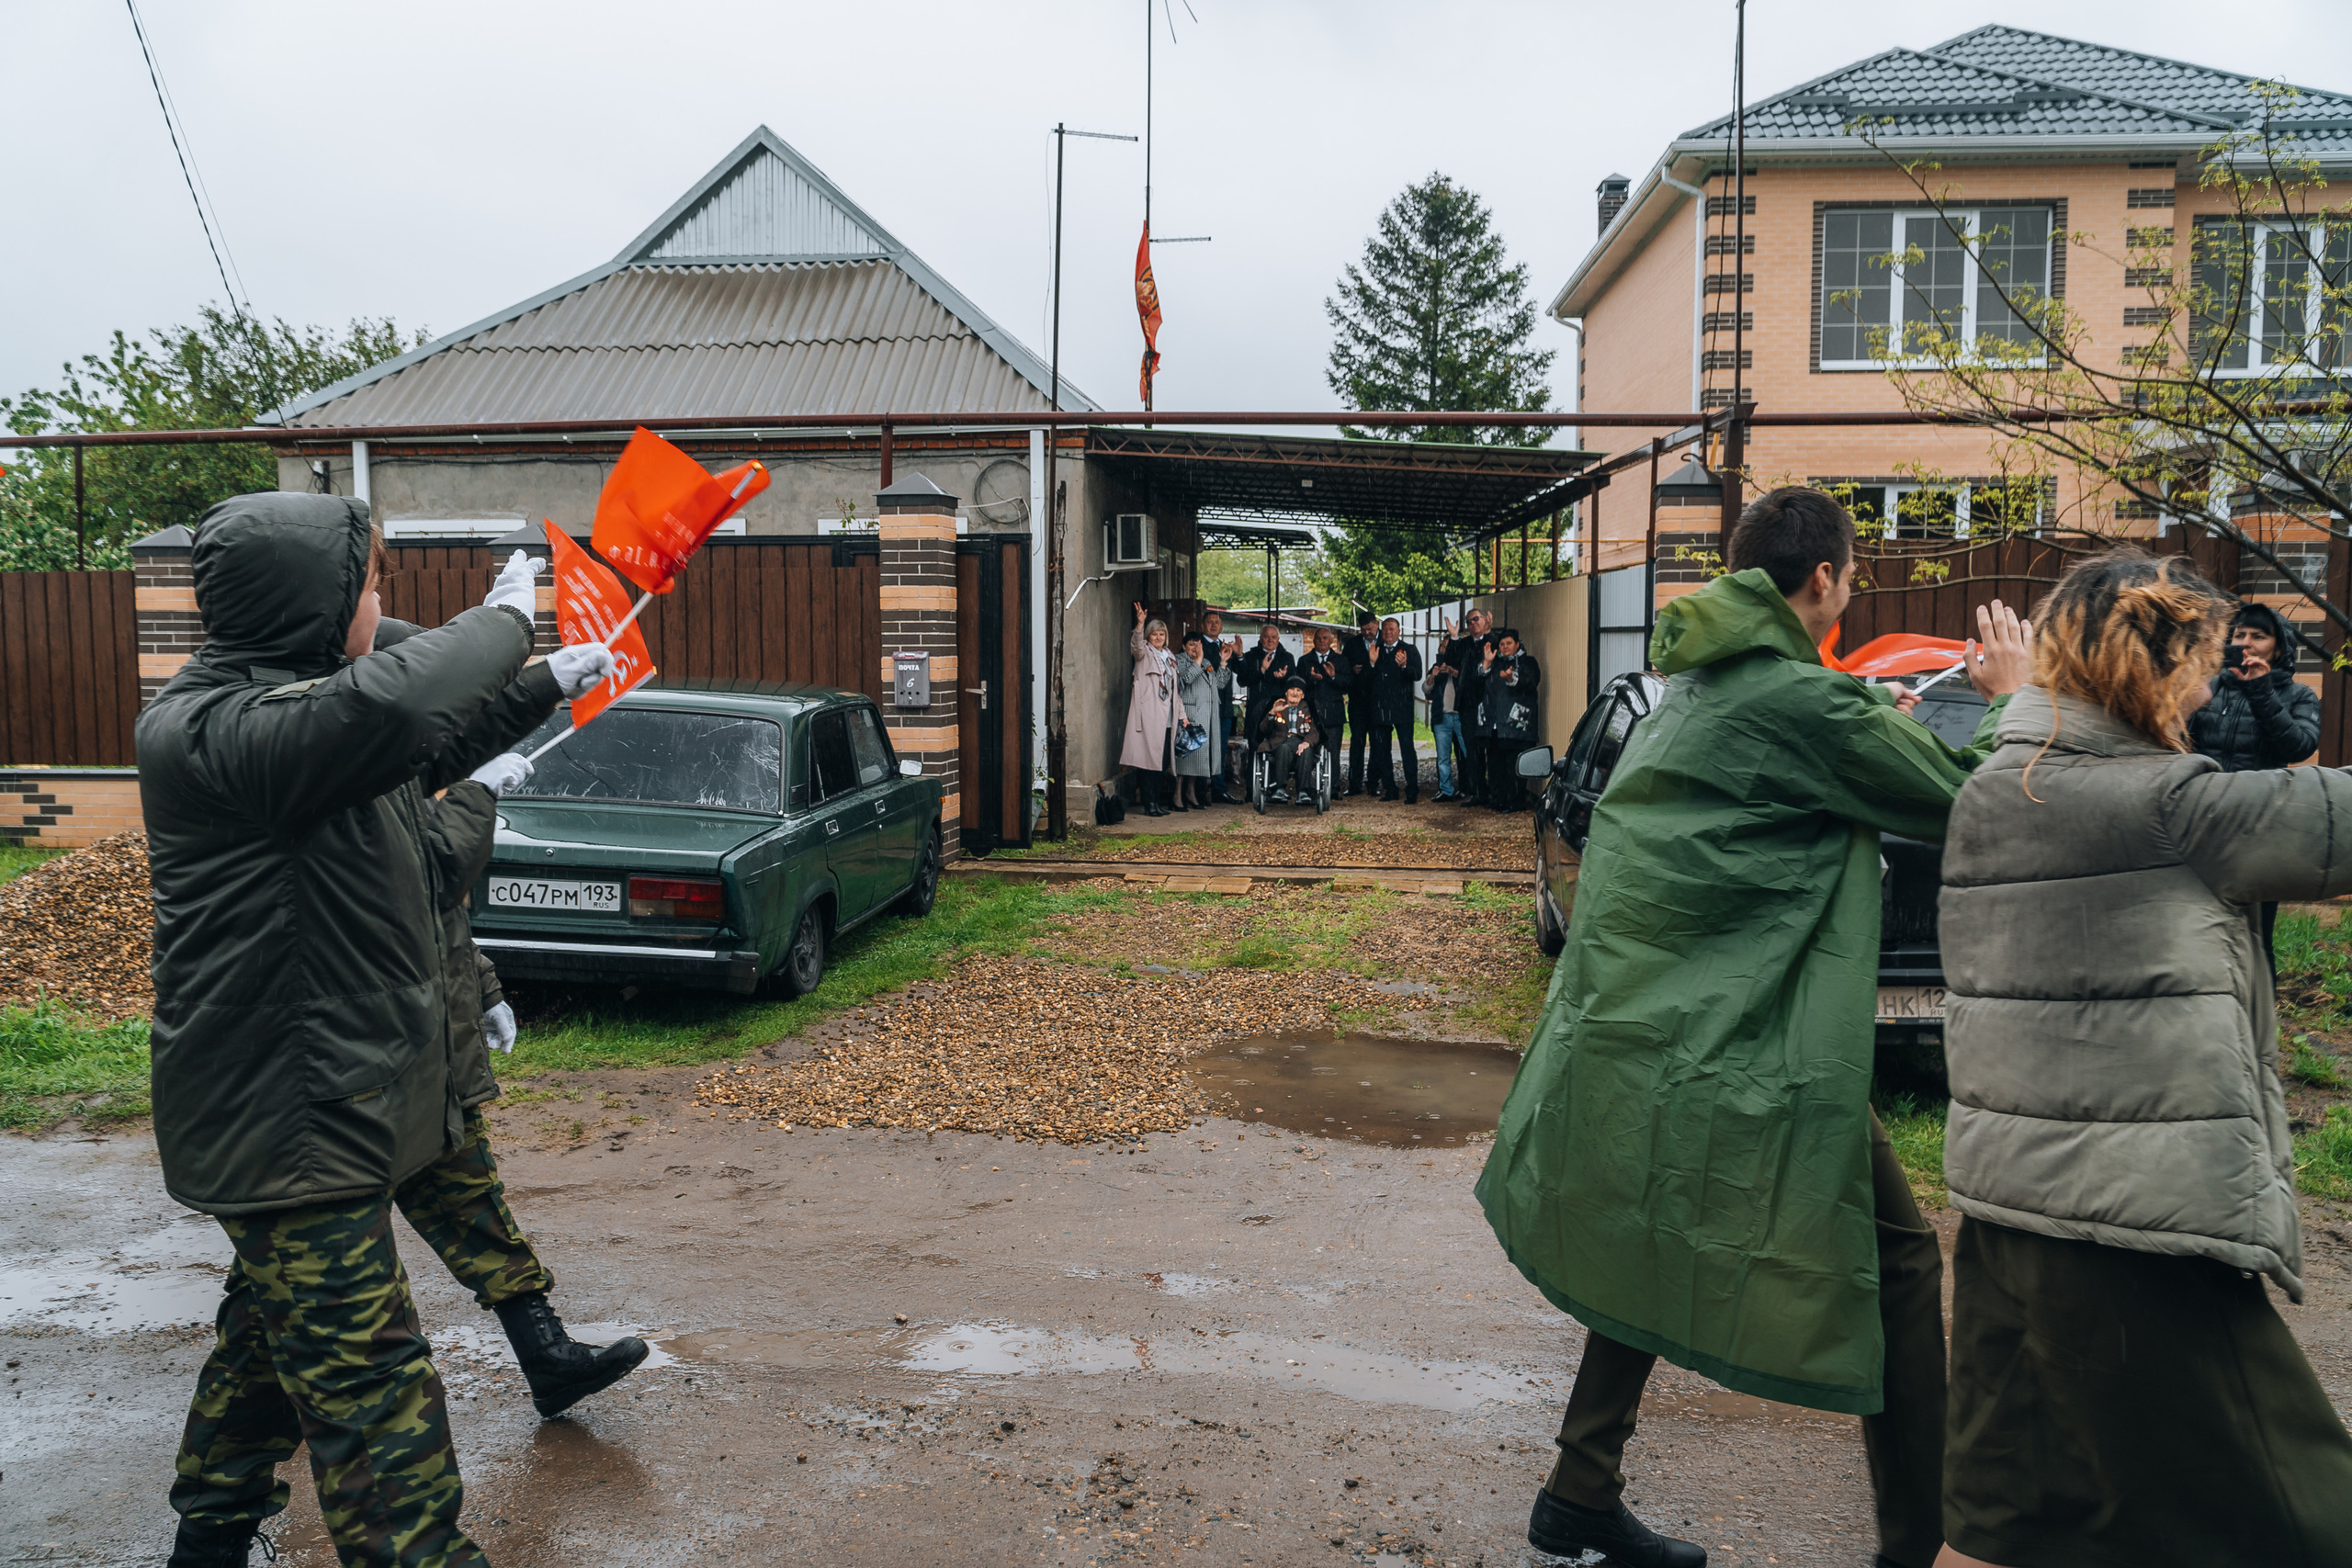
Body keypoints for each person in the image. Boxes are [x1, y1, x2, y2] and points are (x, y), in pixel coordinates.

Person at [1475, 486, 2031, 1568]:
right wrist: (2010, 699)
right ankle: (1920, 1544)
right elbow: (1978, 803)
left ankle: (1579, 1490)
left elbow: (1785, 751)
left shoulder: (1697, 680)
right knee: (1900, 1260)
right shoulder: (1804, 705)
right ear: (1822, 578)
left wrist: (1865, 718)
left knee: (1651, 1224)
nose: (1852, 587)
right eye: (1853, 572)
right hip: (1738, 1037)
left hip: (1653, 1023)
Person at [140, 493, 630, 1568]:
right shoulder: (221, 727)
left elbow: (425, 740)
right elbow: (400, 705)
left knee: (269, 1343)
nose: (379, 603)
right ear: (310, 599)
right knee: (373, 1389)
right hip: (286, 1119)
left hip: (330, 1105)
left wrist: (542, 683)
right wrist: (508, 624)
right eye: (368, 584)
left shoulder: (302, 718)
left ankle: (207, 1541)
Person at [1936, 549, 2352, 1568]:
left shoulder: (1993, 787)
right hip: (2134, 1234)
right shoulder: (2170, 805)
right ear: (2150, 673)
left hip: (2005, 1218)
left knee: (2000, 1527)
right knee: (2312, 1520)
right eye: (2201, 666)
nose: (2210, 691)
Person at [374, 617, 654, 1419]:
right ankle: (221, 1476)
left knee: (473, 1200)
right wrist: (479, 793)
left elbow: (440, 920)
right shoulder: (351, 780)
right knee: (293, 1276)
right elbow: (433, 874)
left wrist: (487, 988)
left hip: (422, 1053)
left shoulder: (394, 773)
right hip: (364, 1068)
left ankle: (549, 1357)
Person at [2186, 600, 2324, 971]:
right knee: (2197, 925)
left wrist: (2262, 691)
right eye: (2239, 634)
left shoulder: (2299, 696)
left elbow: (2298, 746)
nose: (2246, 642)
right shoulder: (2208, 688)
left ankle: (2259, 1006)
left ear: (2278, 649)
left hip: (2260, 826)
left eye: (2258, 636)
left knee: (2256, 935)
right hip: (2203, 820)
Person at [1120, 603, 1192, 818]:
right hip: (1150, 715)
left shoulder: (1170, 656)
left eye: (1161, 634)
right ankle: (1149, 803)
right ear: (1149, 636)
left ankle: (1157, 802)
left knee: (1163, 762)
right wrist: (1140, 624)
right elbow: (1136, 646)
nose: (1158, 637)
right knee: (1149, 761)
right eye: (1154, 634)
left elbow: (1175, 690)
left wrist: (1182, 715)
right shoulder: (1144, 653)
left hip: (1168, 717)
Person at [1477, 629, 1541, 811]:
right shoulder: (1495, 663)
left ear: (1517, 644)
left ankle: (1515, 801)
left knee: (1515, 765)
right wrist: (1486, 663)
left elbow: (1530, 682)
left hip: (1518, 725)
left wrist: (1512, 678)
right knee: (1495, 764)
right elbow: (1477, 682)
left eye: (1509, 643)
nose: (1505, 647)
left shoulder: (1528, 662)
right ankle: (1498, 799)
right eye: (1502, 644)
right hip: (1496, 725)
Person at [1365, 617, 1423, 803]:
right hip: (1380, 708)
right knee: (1382, 751)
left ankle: (1412, 789)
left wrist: (1404, 666)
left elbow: (1417, 675)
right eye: (1385, 629)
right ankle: (1390, 788)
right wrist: (1372, 663)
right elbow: (1366, 679)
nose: (1388, 633)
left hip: (1402, 708)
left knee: (1407, 749)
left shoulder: (1409, 650)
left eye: (1392, 629)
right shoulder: (1375, 650)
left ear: (1399, 631)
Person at [1171, 630, 1228, 811]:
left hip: (1206, 716)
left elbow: (1220, 684)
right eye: (1191, 645)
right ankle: (1177, 795)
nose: (1195, 649)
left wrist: (1223, 663)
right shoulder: (1178, 660)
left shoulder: (1206, 663)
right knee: (1185, 757)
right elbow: (1186, 679)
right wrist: (1197, 660)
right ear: (1184, 646)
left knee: (1197, 759)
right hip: (1189, 715)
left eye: (1198, 645)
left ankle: (1191, 792)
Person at [1424, 616, 1474, 803]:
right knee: (1443, 757)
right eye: (1442, 647)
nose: (1444, 650)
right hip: (1442, 717)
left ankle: (1473, 788)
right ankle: (1446, 790)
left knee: (1469, 754)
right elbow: (1426, 689)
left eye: (1447, 647)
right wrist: (1433, 676)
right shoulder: (1435, 667)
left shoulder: (1463, 666)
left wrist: (1454, 672)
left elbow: (1470, 683)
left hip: (1461, 716)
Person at [1296, 626, 1351, 789]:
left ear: (1331, 641)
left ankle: (1333, 788)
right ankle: (1305, 788)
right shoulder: (1304, 661)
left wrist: (1334, 677)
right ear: (1313, 641)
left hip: (1333, 713)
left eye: (1325, 638)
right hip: (1311, 713)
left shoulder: (1341, 660)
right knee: (1307, 750)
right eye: (1318, 638)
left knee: (1333, 753)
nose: (1322, 641)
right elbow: (1298, 687)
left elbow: (1348, 684)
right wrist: (1311, 679)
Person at [1454, 608, 1499, 805]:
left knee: (1493, 750)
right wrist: (1453, 637)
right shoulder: (1463, 644)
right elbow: (1451, 658)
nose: (1473, 623)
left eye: (1476, 619)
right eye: (1469, 621)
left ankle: (1496, 793)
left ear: (1485, 619)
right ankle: (1478, 791)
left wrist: (1489, 631)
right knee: (1472, 751)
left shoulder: (1494, 641)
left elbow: (1500, 650)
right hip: (1468, 705)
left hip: (1490, 704)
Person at [1256, 674, 1322, 805]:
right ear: (1286, 692)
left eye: (1299, 690)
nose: (1295, 693)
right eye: (1292, 689)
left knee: (1307, 750)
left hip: (1301, 742)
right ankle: (1280, 789)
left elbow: (1314, 731)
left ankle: (1303, 792)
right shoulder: (1278, 705)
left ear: (1303, 695)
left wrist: (1307, 742)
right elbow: (1263, 729)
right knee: (1284, 748)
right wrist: (1272, 713)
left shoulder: (1308, 709)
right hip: (1280, 743)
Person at [1233, 622, 1295, 752]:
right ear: (1261, 639)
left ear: (1278, 639)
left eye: (1274, 637)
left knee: (1279, 747)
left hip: (1279, 707)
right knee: (1254, 747)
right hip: (1256, 708)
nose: (1270, 640)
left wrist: (1284, 678)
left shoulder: (1288, 657)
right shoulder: (1251, 656)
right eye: (1266, 637)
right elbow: (1242, 681)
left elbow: (1294, 685)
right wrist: (1261, 670)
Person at [1199, 609, 1238, 803]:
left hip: (1224, 708)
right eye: (1210, 622)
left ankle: (1219, 789)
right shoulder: (1198, 645)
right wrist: (1221, 658)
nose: (1214, 625)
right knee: (1201, 750)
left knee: (1220, 751)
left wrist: (1238, 654)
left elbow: (1241, 672)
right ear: (1202, 626)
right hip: (1204, 707)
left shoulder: (1225, 646)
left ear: (1222, 626)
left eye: (1217, 622)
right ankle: (1198, 792)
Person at [1340, 612, 1381, 796]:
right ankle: (1354, 783)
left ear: (1376, 624)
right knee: (1357, 742)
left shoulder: (1385, 642)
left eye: (1370, 629)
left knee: (1377, 743)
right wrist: (1352, 670)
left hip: (1378, 701)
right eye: (1363, 630)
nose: (1367, 633)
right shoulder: (1352, 644)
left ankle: (1373, 782)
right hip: (1358, 701)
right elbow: (1343, 669)